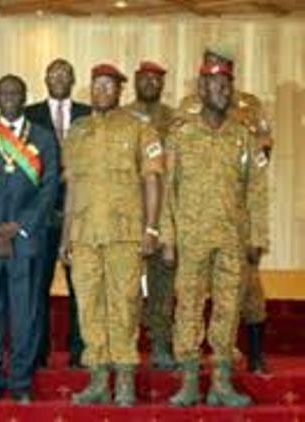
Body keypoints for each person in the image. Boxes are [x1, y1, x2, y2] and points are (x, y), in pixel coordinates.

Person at [162, 63, 269, 407]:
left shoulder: (242, 136)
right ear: (202, 89)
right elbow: (167, 190)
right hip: (191, 238)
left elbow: (256, 190)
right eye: (215, 86)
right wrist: (167, 237)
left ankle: (221, 383)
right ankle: (190, 381)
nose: (222, 93)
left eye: (227, 87)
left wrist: (257, 237)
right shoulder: (181, 135)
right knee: (188, 307)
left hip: (231, 239)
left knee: (228, 307)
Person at [62, 64, 163, 406]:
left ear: (120, 90)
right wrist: (65, 238)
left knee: (124, 304)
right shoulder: (77, 131)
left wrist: (151, 228)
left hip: (125, 233)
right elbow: (72, 188)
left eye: (109, 86)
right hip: (84, 234)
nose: (102, 91)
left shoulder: (139, 128)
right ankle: (97, 377)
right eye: (97, 85)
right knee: (88, 305)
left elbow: (152, 180)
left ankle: (124, 378)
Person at [179, 43, 274, 374]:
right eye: (210, 64)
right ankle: (191, 365)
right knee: (191, 295)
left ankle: (253, 355)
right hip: (196, 217)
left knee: (246, 290)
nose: (215, 70)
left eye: (222, 65)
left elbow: (263, 152)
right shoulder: (188, 106)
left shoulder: (250, 105)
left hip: (235, 217)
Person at [0, 74, 59, 403]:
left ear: (24, 97)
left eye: (15, 93)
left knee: (25, 314)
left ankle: (20, 382)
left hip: (26, 240)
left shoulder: (44, 139)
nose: (9, 98)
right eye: (3, 93)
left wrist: (18, 226)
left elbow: (49, 188)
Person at [25, 58, 90, 368]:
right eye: (54, 74)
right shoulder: (29, 115)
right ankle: (38, 353)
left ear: (73, 79)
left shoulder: (88, 115)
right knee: (37, 287)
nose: (59, 78)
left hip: (81, 214)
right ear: (45, 79)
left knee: (82, 287)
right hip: (41, 214)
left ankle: (80, 352)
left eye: (65, 73)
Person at [124, 60, 176, 370]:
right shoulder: (121, 116)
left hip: (164, 210)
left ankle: (160, 345)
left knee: (162, 285)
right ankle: (124, 349)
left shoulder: (174, 119)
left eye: (156, 79)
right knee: (125, 286)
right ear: (135, 81)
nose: (150, 83)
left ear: (162, 84)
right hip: (128, 212)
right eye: (144, 78)